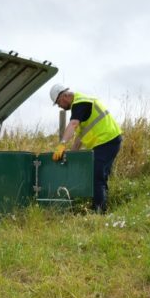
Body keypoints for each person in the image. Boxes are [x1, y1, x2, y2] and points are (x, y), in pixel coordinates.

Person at [49, 84, 122, 214]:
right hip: (107, 142)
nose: (59, 106)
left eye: (58, 102)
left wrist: (62, 144)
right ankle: (101, 208)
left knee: (96, 176)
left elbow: (73, 124)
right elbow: (79, 137)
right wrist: (71, 157)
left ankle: (98, 212)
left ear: (65, 96)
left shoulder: (80, 102)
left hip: (107, 140)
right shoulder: (80, 107)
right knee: (99, 176)